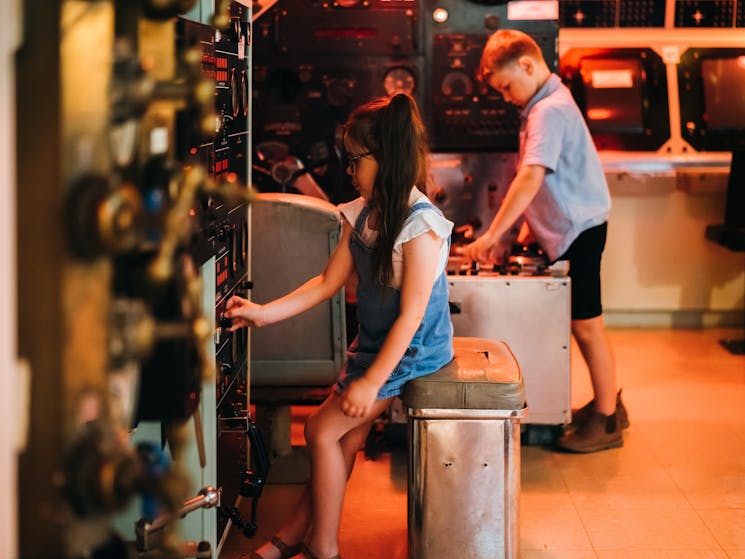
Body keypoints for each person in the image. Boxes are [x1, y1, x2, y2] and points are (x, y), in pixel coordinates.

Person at [225, 93, 454, 559]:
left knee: (320, 432)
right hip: (372, 347)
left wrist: (372, 382)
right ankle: (291, 536)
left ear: (386, 159)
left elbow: (411, 316)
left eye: (355, 162)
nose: (348, 173)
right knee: (343, 440)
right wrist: (263, 312)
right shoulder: (363, 212)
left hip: (409, 353)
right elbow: (327, 282)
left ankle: (322, 548)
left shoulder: (421, 225)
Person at [462, 29, 629, 453]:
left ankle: (607, 421)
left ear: (527, 66)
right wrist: (525, 230)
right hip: (573, 226)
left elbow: (532, 176)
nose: (506, 96)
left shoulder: (549, 111)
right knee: (582, 323)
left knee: (587, 325)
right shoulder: (544, 105)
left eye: (506, 86)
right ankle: (610, 404)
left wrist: (492, 235)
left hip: (579, 230)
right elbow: (545, 184)